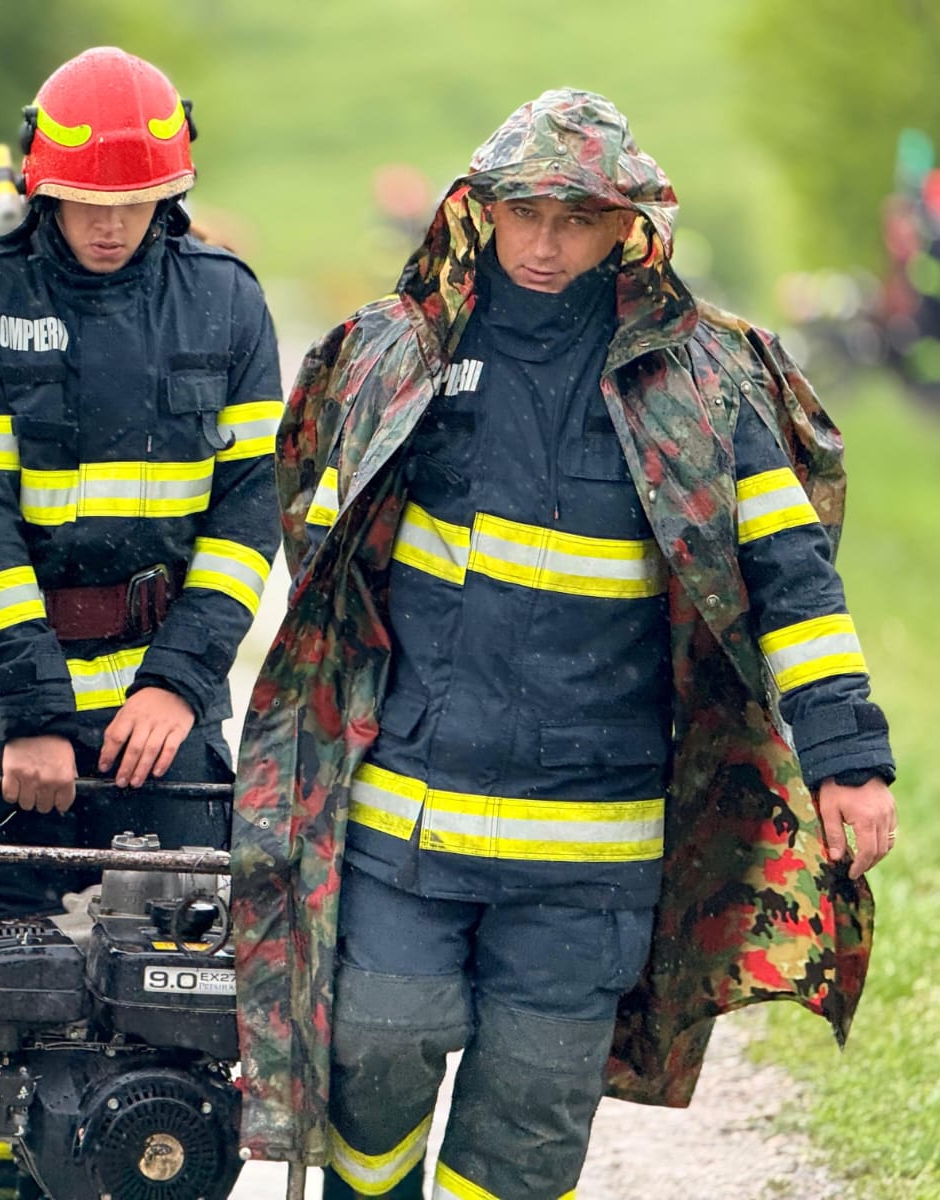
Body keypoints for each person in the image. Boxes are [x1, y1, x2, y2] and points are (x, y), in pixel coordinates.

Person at [231, 89, 898, 1200]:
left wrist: (850, 758)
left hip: (590, 847)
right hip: (407, 818)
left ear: (627, 226)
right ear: (481, 210)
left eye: (577, 220)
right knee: (381, 1046)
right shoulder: (398, 354)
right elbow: (318, 542)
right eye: (525, 214)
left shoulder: (704, 382)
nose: (545, 245)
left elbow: (793, 581)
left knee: (534, 1117)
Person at [0, 46, 282, 1192]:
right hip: (16, 709)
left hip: (166, 704)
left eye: (135, 200)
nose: (110, 223)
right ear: (43, 186)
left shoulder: (227, 303)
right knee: (3, 985)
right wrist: (30, 715)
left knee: (188, 972)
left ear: (170, 190)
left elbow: (250, 516)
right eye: (86, 200)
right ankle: (2, 1173)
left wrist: (177, 683)